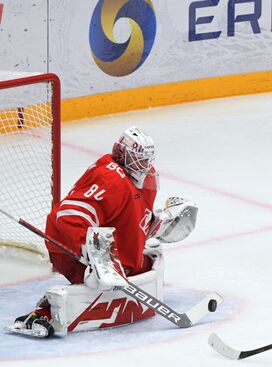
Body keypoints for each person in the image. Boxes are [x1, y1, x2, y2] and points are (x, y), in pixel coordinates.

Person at [10, 126, 198, 337]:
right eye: (140, 160)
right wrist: (97, 257)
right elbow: (68, 217)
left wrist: (157, 223)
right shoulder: (111, 179)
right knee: (95, 283)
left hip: (104, 244)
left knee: (143, 265)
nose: (146, 166)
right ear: (124, 155)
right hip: (68, 244)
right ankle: (41, 314)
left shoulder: (145, 177)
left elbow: (128, 217)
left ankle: (118, 268)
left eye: (147, 160)